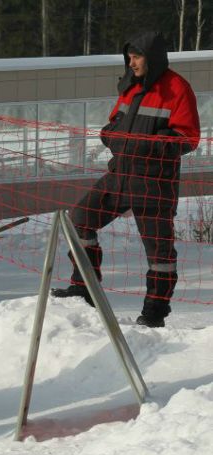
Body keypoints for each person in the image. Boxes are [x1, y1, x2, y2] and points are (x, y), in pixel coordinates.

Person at [52, 31, 199, 328]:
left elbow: (189, 138)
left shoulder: (177, 88)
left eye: (137, 57)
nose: (131, 63)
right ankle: (84, 287)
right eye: (129, 57)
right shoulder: (129, 87)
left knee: (159, 252)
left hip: (154, 184)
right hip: (119, 176)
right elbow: (112, 124)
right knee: (80, 217)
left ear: (153, 58)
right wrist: (109, 136)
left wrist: (148, 143)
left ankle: (154, 312)